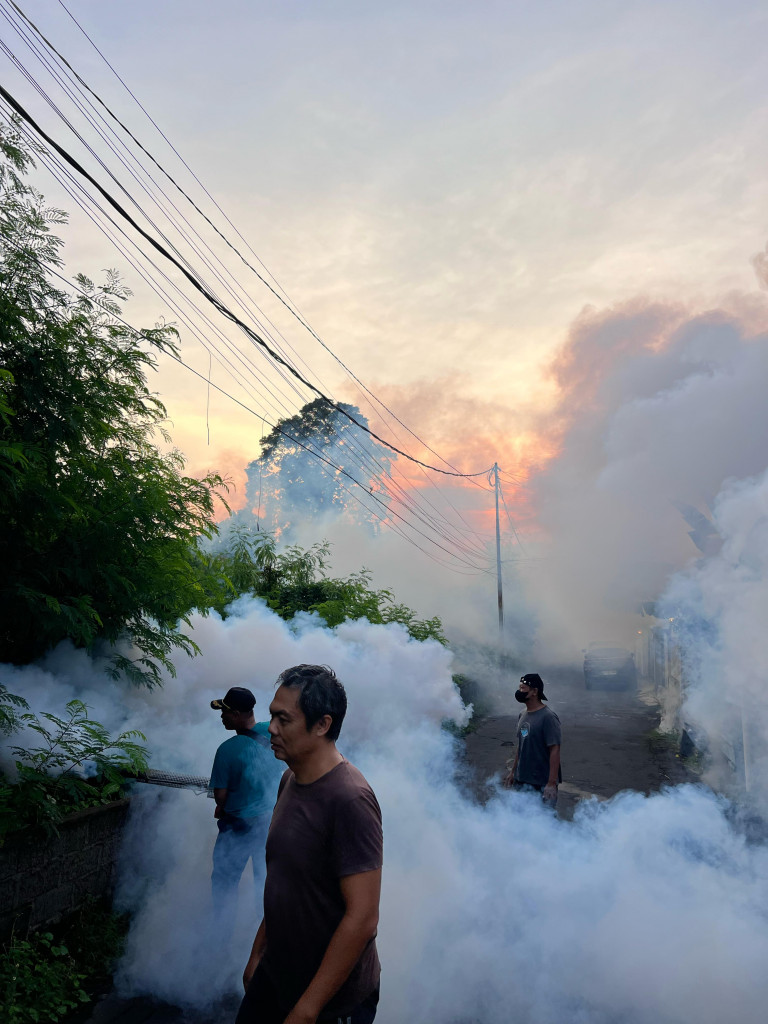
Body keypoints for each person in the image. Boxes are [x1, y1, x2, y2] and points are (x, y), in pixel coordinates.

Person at [237, 664, 383, 1024]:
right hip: (277, 976)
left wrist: (307, 1009)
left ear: (322, 725)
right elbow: (286, 883)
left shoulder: (350, 799)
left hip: (330, 1001)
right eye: (272, 716)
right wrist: (258, 954)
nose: (271, 729)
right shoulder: (289, 780)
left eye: (283, 720)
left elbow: (363, 918)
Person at [209, 686, 281, 929]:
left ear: (238, 714)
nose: (221, 717)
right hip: (270, 824)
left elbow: (220, 797)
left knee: (224, 885)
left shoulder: (227, 750)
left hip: (237, 827)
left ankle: (220, 937)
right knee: (265, 883)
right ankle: (261, 937)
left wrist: (223, 804)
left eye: (226, 712)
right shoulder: (273, 734)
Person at [503, 673, 562, 808]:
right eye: (520, 687)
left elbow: (555, 749)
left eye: (523, 688)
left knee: (544, 823)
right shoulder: (522, 714)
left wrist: (551, 783)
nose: (519, 691)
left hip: (540, 783)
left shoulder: (548, 717)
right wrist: (513, 772)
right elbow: (522, 745)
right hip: (521, 780)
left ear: (535, 691)